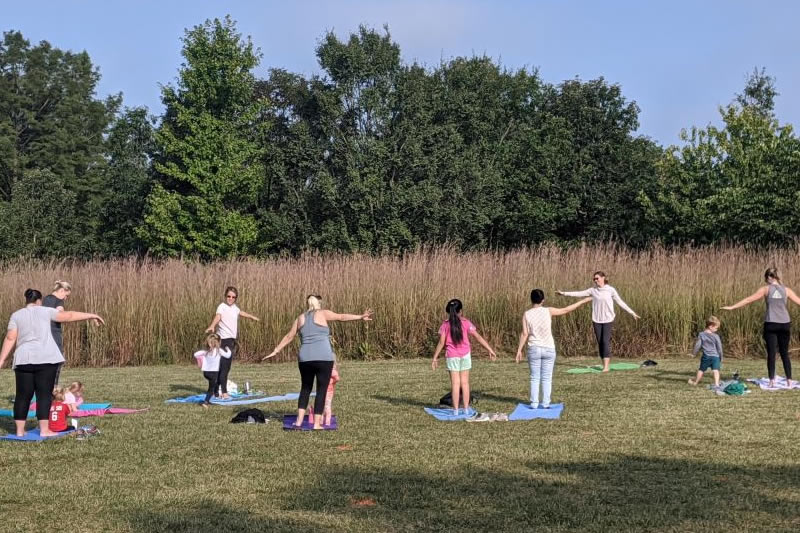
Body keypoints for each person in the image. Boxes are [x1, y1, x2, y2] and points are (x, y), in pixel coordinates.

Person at [0, 289, 104, 437]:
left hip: (24, 359)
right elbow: (69, 316)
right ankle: (44, 430)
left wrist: (1, 360)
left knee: (23, 395)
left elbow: (10, 338)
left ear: (26, 301)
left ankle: (19, 431)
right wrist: (92, 315)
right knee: (43, 394)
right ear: (39, 301)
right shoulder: (46, 311)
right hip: (46, 358)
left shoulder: (16, 315)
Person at [263, 295, 372, 430]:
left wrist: (276, 350)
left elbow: (289, 336)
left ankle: (298, 422)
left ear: (307, 304)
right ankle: (316, 424)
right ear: (318, 304)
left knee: (305, 389)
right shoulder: (323, 313)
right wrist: (360, 317)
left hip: (305, 359)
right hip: (324, 358)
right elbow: (341, 317)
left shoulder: (300, 318)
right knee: (321, 390)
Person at [722, 267, 799, 387]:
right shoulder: (787, 290)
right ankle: (789, 380)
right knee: (784, 353)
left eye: (765, 278)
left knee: (771, 353)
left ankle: (772, 380)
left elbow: (749, 300)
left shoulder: (766, 289)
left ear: (769, 277)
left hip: (771, 324)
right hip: (785, 324)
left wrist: (732, 307)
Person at [515, 291, 592, 408]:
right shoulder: (548, 311)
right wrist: (583, 301)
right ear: (543, 300)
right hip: (548, 348)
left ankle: (534, 403)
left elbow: (525, 334)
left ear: (531, 300)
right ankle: (546, 403)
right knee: (547, 377)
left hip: (534, 348)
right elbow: (566, 309)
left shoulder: (527, 314)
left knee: (534, 377)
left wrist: (519, 350)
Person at [558, 271, 640, 372]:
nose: (595, 280)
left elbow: (620, 302)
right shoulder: (593, 290)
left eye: (597, 278)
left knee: (605, 341)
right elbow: (579, 293)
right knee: (600, 342)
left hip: (608, 319)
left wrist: (632, 312)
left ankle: (606, 367)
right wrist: (564, 293)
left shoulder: (610, 290)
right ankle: (604, 363)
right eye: (594, 279)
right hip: (596, 320)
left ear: (603, 278)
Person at [431, 299, 497, 416]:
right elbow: (478, 337)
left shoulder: (445, 325)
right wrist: (490, 349)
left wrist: (435, 357)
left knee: (455, 384)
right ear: (460, 311)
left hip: (452, 357)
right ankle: (466, 409)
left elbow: (441, 343)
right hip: (465, 355)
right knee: (465, 383)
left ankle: (455, 410)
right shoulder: (466, 323)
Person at [205, 286, 260, 399]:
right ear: (225, 296)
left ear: (235, 298)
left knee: (223, 367)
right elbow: (218, 317)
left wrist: (252, 317)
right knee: (225, 367)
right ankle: (224, 392)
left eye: (233, 297)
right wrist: (212, 325)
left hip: (231, 340)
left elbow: (241, 312)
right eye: (228, 296)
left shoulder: (234, 308)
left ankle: (216, 390)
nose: (230, 298)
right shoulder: (222, 306)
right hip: (224, 340)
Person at [42, 280, 72, 385]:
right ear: (62, 290)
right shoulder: (59, 301)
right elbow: (61, 315)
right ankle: (53, 388)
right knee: (57, 360)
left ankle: (42, 388)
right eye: (66, 296)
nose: (65, 298)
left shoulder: (45, 299)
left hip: (43, 334)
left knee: (45, 362)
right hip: (54, 333)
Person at [193, 333, 233, 408]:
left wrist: (202, 356)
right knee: (211, 389)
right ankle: (206, 402)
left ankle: (216, 395)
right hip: (213, 373)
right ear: (218, 342)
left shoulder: (207, 352)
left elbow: (195, 354)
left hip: (206, 373)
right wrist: (228, 349)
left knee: (215, 382)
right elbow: (228, 355)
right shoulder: (219, 351)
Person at [688, 316, 723, 388]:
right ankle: (716, 384)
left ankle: (695, 382)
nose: (716, 330)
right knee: (716, 370)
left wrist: (693, 354)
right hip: (715, 356)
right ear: (711, 326)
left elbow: (697, 345)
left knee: (701, 370)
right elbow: (719, 348)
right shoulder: (716, 336)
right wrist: (721, 357)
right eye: (716, 328)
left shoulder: (701, 334)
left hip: (706, 356)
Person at [322, 361, 340, 427]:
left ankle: (327, 422)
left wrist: (333, 382)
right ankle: (322, 420)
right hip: (325, 390)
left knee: (326, 406)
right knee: (324, 406)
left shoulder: (332, 371)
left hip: (328, 391)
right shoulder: (329, 370)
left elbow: (337, 379)